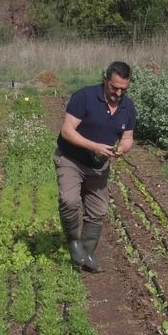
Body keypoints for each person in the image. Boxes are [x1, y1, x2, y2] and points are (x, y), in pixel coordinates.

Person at [54, 61, 136, 272]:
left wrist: (123, 148)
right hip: (71, 159)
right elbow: (67, 131)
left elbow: (128, 136)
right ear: (106, 80)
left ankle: (86, 254)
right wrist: (94, 146)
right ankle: (73, 242)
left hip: (98, 166)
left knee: (98, 210)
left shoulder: (128, 107)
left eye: (123, 89)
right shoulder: (85, 97)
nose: (118, 93)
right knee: (69, 200)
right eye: (114, 87)